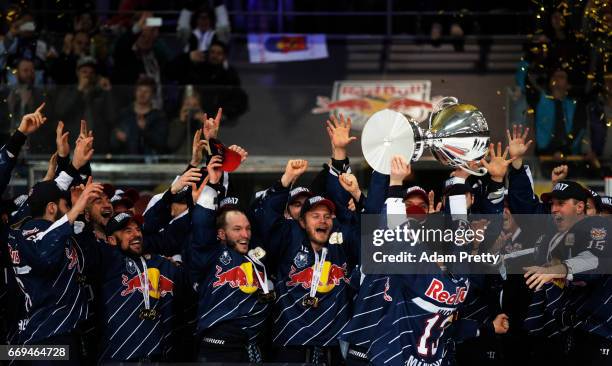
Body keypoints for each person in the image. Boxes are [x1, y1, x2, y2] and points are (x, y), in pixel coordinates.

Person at [54, 56, 115, 155]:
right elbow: (60, 112)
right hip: (73, 145)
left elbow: (112, 117)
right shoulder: (68, 92)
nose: (88, 76)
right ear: (77, 73)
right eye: (84, 72)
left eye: (91, 73)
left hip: (97, 148)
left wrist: (108, 91)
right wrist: (79, 90)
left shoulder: (101, 93)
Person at [112, 76, 168, 156]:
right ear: (135, 92)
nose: (142, 94)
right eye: (139, 90)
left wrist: (144, 131)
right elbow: (113, 142)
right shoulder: (124, 113)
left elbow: (161, 144)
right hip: (125, 162)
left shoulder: (159, 117)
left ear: (153, 94)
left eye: (146, 91)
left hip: (148, 164)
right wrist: (117, 138)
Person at [1, 58, 45, 145]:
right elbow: (3, 122)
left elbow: (45, 124)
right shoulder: (7, 93)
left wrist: (29, 104)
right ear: (17, 73)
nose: (29, 74)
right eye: (25, 71)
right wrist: (9, 106)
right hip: (7, 143)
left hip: (33, 145)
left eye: (32, 71)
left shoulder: (40, 94)